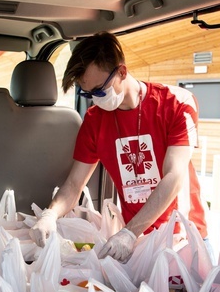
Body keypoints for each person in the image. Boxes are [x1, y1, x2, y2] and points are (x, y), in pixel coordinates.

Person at [30, 31, 209, 263]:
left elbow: (174, 177)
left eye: (99, 90)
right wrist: (50, 214)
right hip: (137, 241)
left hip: (185, 238)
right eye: (88, 93)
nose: (95, 99)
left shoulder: (176, 103)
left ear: (122, 72)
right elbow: (74, 184)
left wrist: (128, 233)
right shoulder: (95, 121)